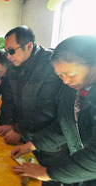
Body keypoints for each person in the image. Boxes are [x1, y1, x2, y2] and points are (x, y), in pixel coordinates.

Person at [11, 35, 96, 185]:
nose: (65, 81)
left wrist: (47, 172)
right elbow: (64, 126)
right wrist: (32, 145)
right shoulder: (71, 89)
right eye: (60, 75)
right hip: (80, 170)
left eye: (70, 74)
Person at [0, 26, 62, 148]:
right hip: (24, 134)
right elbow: (9, 97)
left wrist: (19, 130)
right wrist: (11, 123)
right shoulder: (15, 64)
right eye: (6, 51)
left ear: (29, 47)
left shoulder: (50, 65)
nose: (8, 56)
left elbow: (46, 110)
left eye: (11, 51)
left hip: (45, 141)